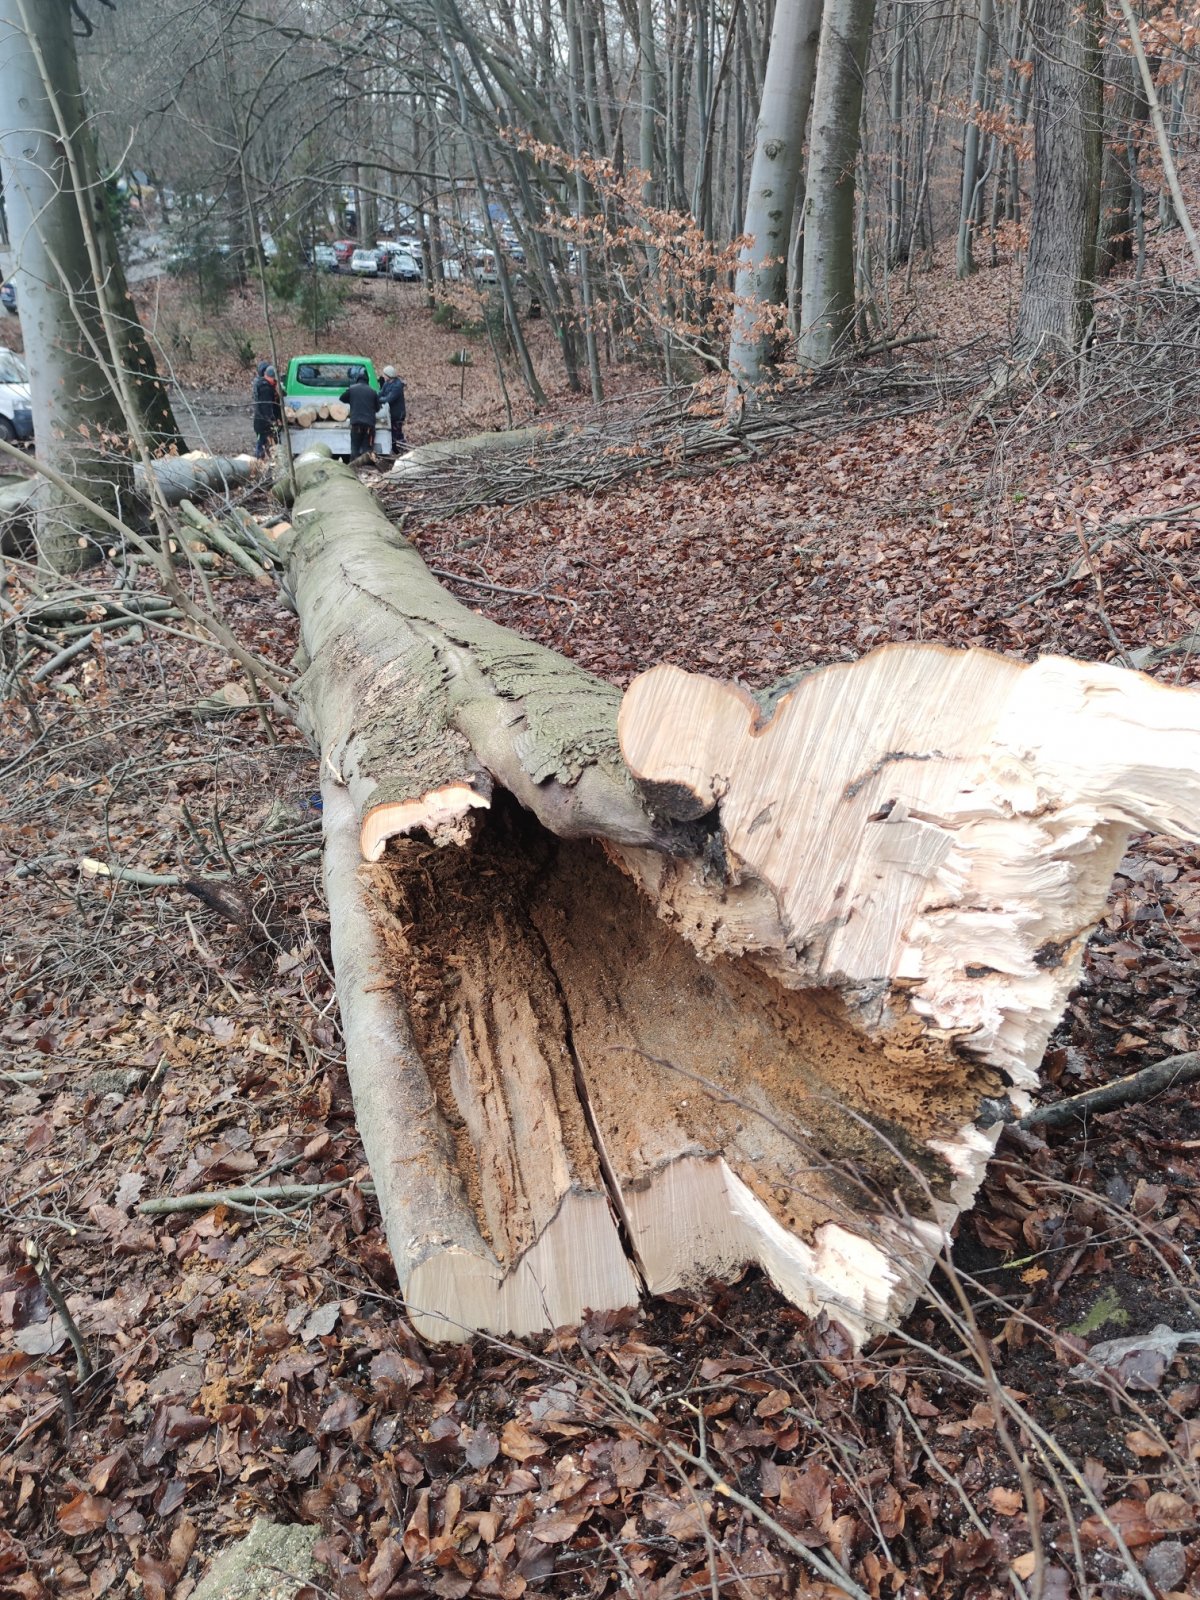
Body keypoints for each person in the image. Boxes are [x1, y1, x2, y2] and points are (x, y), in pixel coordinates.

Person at [339, 371, 381, 460]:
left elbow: (342, 398)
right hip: (369, 426)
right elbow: (378, 408)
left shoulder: (352, 389)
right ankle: (366, 470)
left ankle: (354, 467)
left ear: (357, 380)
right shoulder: (373, 392)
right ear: (367, 381)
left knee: (355, 448)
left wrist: (351, 399)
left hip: (356, 424)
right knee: (367, 450)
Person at [251, 363, 282, 460]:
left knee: (266, 443)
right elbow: (267, 407)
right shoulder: (265, 389)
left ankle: (264, 460)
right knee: (263, 443)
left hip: (263, 421)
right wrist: (272, 420)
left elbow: (274, 405)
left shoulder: (266, 386)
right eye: (275, 379)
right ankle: (258, 462)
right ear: (272, 377)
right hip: (263, 423)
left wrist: (278, 417)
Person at [379, 365, 407, 450]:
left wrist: (379, 399)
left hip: (398, 414)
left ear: (389, 375)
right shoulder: (387, 383)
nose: (383, 376)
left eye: (384, 375)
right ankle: (395, 448)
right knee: (393, 432)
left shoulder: (397, 386)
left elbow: (389, 399)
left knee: (396, 432)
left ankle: (400, 448)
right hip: (392, 413)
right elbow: (381, 393)